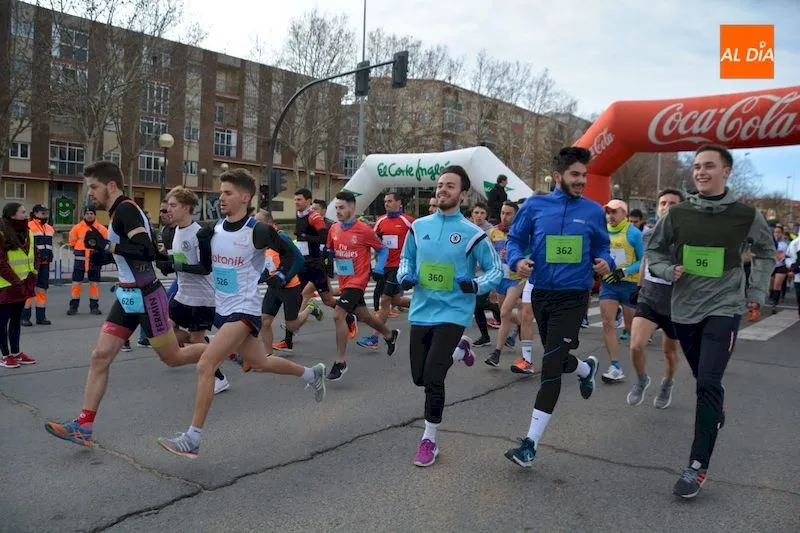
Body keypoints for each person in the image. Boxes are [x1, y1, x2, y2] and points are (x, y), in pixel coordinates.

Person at [157, 168, 326, 458]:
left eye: (227, 192)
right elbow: (205, 266)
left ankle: (193, 438)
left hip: (245, 310)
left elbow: (294, 256)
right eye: (221, 192)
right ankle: (312, 374)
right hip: (223, 310)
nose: (221, 197)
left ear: (244, 197)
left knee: (206, 364)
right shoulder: (215, 230)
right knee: (261, 361)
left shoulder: (257, 230)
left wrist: (281, 278)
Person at [44, 161, 211, 447]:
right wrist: (103, 255)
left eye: (94, 187)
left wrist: (107, 247)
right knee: (100, 356)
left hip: (147, 296)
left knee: (172, 358)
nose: (90, 194)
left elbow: (145, 251)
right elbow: (126, 255)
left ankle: (227, 347)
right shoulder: (116, 212)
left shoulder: (125, 210)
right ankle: (83, 425)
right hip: (127, 295)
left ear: (110, 186)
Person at [646, 144, 774, 499]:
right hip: (685, 308)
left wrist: (757, 290)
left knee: (707, 383)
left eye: (709, 166)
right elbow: (654, 251)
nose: (701, 172)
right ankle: (717, 404)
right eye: (697, 167)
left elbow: (765, 250)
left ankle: (696, 467)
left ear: (726, 172)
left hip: (725, 305)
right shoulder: (678, 214)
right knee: (705, 380)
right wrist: (665, 269)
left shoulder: (746, 215)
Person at [504, 146, 615, 467]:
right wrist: (517, 260)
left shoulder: (593, 210)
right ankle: (585, 368)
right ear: (557, 177)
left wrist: (604, 261)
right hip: (542, 293)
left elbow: (603, 246)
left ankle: (530, 444)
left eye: (585, 175)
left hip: (574, 295)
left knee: (550, 364)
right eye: (575, 175)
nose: (582, 181)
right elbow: (514, 239)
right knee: (557, 355)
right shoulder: (536, 205)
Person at [397, 165, 502, 466]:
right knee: (420, 377)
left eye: (450, 186)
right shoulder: (419, 227)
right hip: (422, 310)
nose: (443, 189)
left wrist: (476, 285)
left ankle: (429, 439)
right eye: (440, 184)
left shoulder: (473, 234)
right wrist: (406, 276)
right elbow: (407, 259)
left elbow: (496, 269)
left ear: (463, 194)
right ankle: (461, 351)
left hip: (454, 312)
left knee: (433, 377)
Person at [155, 186, 231, 394]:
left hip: (202, 298)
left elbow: (204, 268)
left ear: (187, 208)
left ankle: (219, 376)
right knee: (166, 329)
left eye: (173, 205)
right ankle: (214, 347)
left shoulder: (200, 234)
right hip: (182, 295)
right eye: (168, 205)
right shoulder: (174, 231)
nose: (168, 210)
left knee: (196, 340)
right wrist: (166, 262)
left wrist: (176, 266)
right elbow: (180, 260)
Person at [325, 191, 400, 381]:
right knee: (364, 316)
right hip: (344, 280)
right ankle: (389, 335)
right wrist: (326, 260)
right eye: (336, 208)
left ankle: (340, 362)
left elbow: (382, 249)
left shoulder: (364, 230)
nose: (339, 211)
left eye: (342, 207)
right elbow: (330, 251)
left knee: (338, 314)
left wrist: (379, 268)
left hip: (358, 281)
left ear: (352, 207)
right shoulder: (334, 229)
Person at [626, 189, 683, 408]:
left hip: (675, 303)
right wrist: (639, 286)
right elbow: (645, 261)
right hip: (649, 297)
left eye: (672, 203)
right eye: (663, 203)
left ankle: (667, 383)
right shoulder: (648, 234)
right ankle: (642, 380)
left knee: (669, 352)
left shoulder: (687, 237)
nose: (666, 207)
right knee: (635, 346)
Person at [255, 209, 323, 357]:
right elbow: (269, 265)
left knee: (292, 326)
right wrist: (258, 280)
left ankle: (311, 306)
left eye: (259, 222)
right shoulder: (264, 241)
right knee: (265, 320)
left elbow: (299, 260)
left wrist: (284, 278)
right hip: (273, 287)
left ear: (269, 223)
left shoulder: (282, 237)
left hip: (290, 287)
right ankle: (268, 356)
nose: (256, 226)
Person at [357, 192, 414, 350]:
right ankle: (425, 305)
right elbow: (372, 240)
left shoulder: (408, 221)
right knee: (396, 301)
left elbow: (420, 241)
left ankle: (375, 338)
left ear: (399, 203)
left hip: (400, 266)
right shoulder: (381, 221)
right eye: (385, 201)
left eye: (390, 201)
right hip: (385, 267)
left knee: (385, 301)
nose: (386, 204)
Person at [598, 199, 643, 383]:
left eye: (614, 212)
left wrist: (624, 271)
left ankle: (640, 367)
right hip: (609, 284)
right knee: (607, 323)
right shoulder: (602, 232)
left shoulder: (633, 233)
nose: (610, 216)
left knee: (632, 329)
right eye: (607, 212)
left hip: (629, 285)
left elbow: (643, 260)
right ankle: (615, 366)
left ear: (624, 213)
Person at [484, 201, 529, 372]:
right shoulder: (494, 232)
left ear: (516, 215)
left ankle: (496, 353)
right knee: (507, 316)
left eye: (509, 213)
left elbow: (530, 252)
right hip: (500, 278)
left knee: (503, 314)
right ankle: (521, 326)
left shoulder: (523, 233)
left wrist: (514, 255)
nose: (504, 216)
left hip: (516, 278)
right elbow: (490, 257)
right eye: (503, 212)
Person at [0, 203, 37, 368]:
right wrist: (16, 282)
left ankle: (16, 352)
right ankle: (5, 355)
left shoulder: (27, 232)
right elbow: (1, 264)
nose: (25, 214)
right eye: (22, 212)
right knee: (2, 323)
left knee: (16, 321)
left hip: (22, 284)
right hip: (5, 287)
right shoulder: (2, 234)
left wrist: (34, 272)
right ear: (12, 215)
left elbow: (32, 254)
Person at [67, 206, 107, 315]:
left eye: (92, 213)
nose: (89, 215)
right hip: (80, 261)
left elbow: (105, 244)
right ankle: (73, 307)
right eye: (87, 213)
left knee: (94, 284)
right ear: (84, 215)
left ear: (95, 215)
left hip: (95, 260)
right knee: (76, 284)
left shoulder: (101, 229)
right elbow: (72, 243)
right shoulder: (76, 228)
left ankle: (94, 307)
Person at [22, 204, 55, 326]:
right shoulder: (28, 227)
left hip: (45, 263)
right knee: (29, 289)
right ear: (35, 214)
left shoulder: (50, 228)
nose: (45, 215)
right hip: (32, 264)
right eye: (42, 213)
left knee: (42, 289)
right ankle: (24, 317)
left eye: (46, 213)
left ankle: (41, 317)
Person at [768, 225, 789, 314]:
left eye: (778, 232)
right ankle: (772, 297)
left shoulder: (786, 243)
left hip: (782, 266)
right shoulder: (770, 242)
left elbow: (789, 254)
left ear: (782, 233)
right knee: (771, 285)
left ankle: (774, 304)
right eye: (775, 232)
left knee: (777, 285)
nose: (776, 234)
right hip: (772, 265)